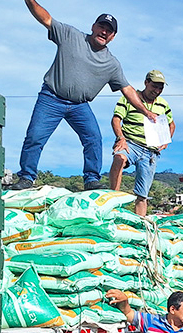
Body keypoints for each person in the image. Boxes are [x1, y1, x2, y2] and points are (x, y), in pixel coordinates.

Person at [10, 1, 157, 191]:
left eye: (108, 31)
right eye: (101, 27)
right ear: (93, 27)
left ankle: (91, 180)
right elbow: (45, 18)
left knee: (94, 138)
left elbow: (127, 89)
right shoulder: (71, 35)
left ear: (113, 37)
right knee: (35, 136)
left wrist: (146, 112)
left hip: (79, 106)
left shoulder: (112, 64)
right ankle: (27, 177)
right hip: (51, 98)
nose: (104, 32)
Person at [107, 69, 175, 216]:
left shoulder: (163, 105)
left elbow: (171, 124)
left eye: (160, 88)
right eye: (154, 86)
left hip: (150, 151)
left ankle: (140, 223)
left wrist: (165, 141)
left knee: (142, 194)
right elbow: (116, 119)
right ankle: (113, 199)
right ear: (146, 83)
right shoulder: (129, 98)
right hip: (130, 143)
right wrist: (120, 138)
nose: (157, 90)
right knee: (119, 158)